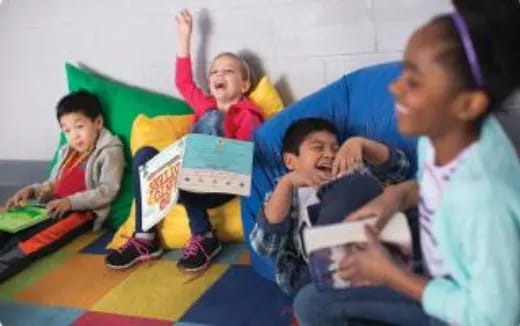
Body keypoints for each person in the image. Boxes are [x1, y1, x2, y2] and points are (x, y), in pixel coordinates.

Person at [294, 4, 520, 326]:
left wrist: (393, 276)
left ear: (468, 104)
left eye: (414, 83)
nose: (394, 88)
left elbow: (493, 317)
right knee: (313, 302)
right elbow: (432, 186)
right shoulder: (440, 135)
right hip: (432, 273)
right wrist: (395, 197)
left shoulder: (486, 200)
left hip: (461, 310)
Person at [105, 9, 264, 272]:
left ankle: (203, 235)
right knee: (145, 155)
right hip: (187, 177)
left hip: (222, 182)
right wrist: (184, 37)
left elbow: (246, 156)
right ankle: (145, 238)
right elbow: (183, 82)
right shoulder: (206, 104)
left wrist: (207, 153)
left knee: (211, 122)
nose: (218, 76)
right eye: (214, 72)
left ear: (244, 85)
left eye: (228, 71)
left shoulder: (249, 114)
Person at [250, 117, 410, 294]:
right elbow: (265, 246)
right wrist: (286, 184)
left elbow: (400, 169)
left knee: (359, 184)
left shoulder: (350, 173)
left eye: (336, 148)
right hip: (320, 268)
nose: (330, 154)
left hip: (376, 245)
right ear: (290, 161)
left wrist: (360, 144)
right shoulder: (284, 194)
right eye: (318, 148)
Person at [0, 90, 125, 281]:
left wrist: (70, 202)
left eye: (79, 126)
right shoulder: (67, 151)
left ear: (97, 123)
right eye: (67, 130)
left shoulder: (110, 152)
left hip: (79, 213)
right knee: (7, 227)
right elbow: (52, 183)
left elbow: (107, 191)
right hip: (47, 206)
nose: (74, 136)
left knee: (29, 242)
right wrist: (32, 190)